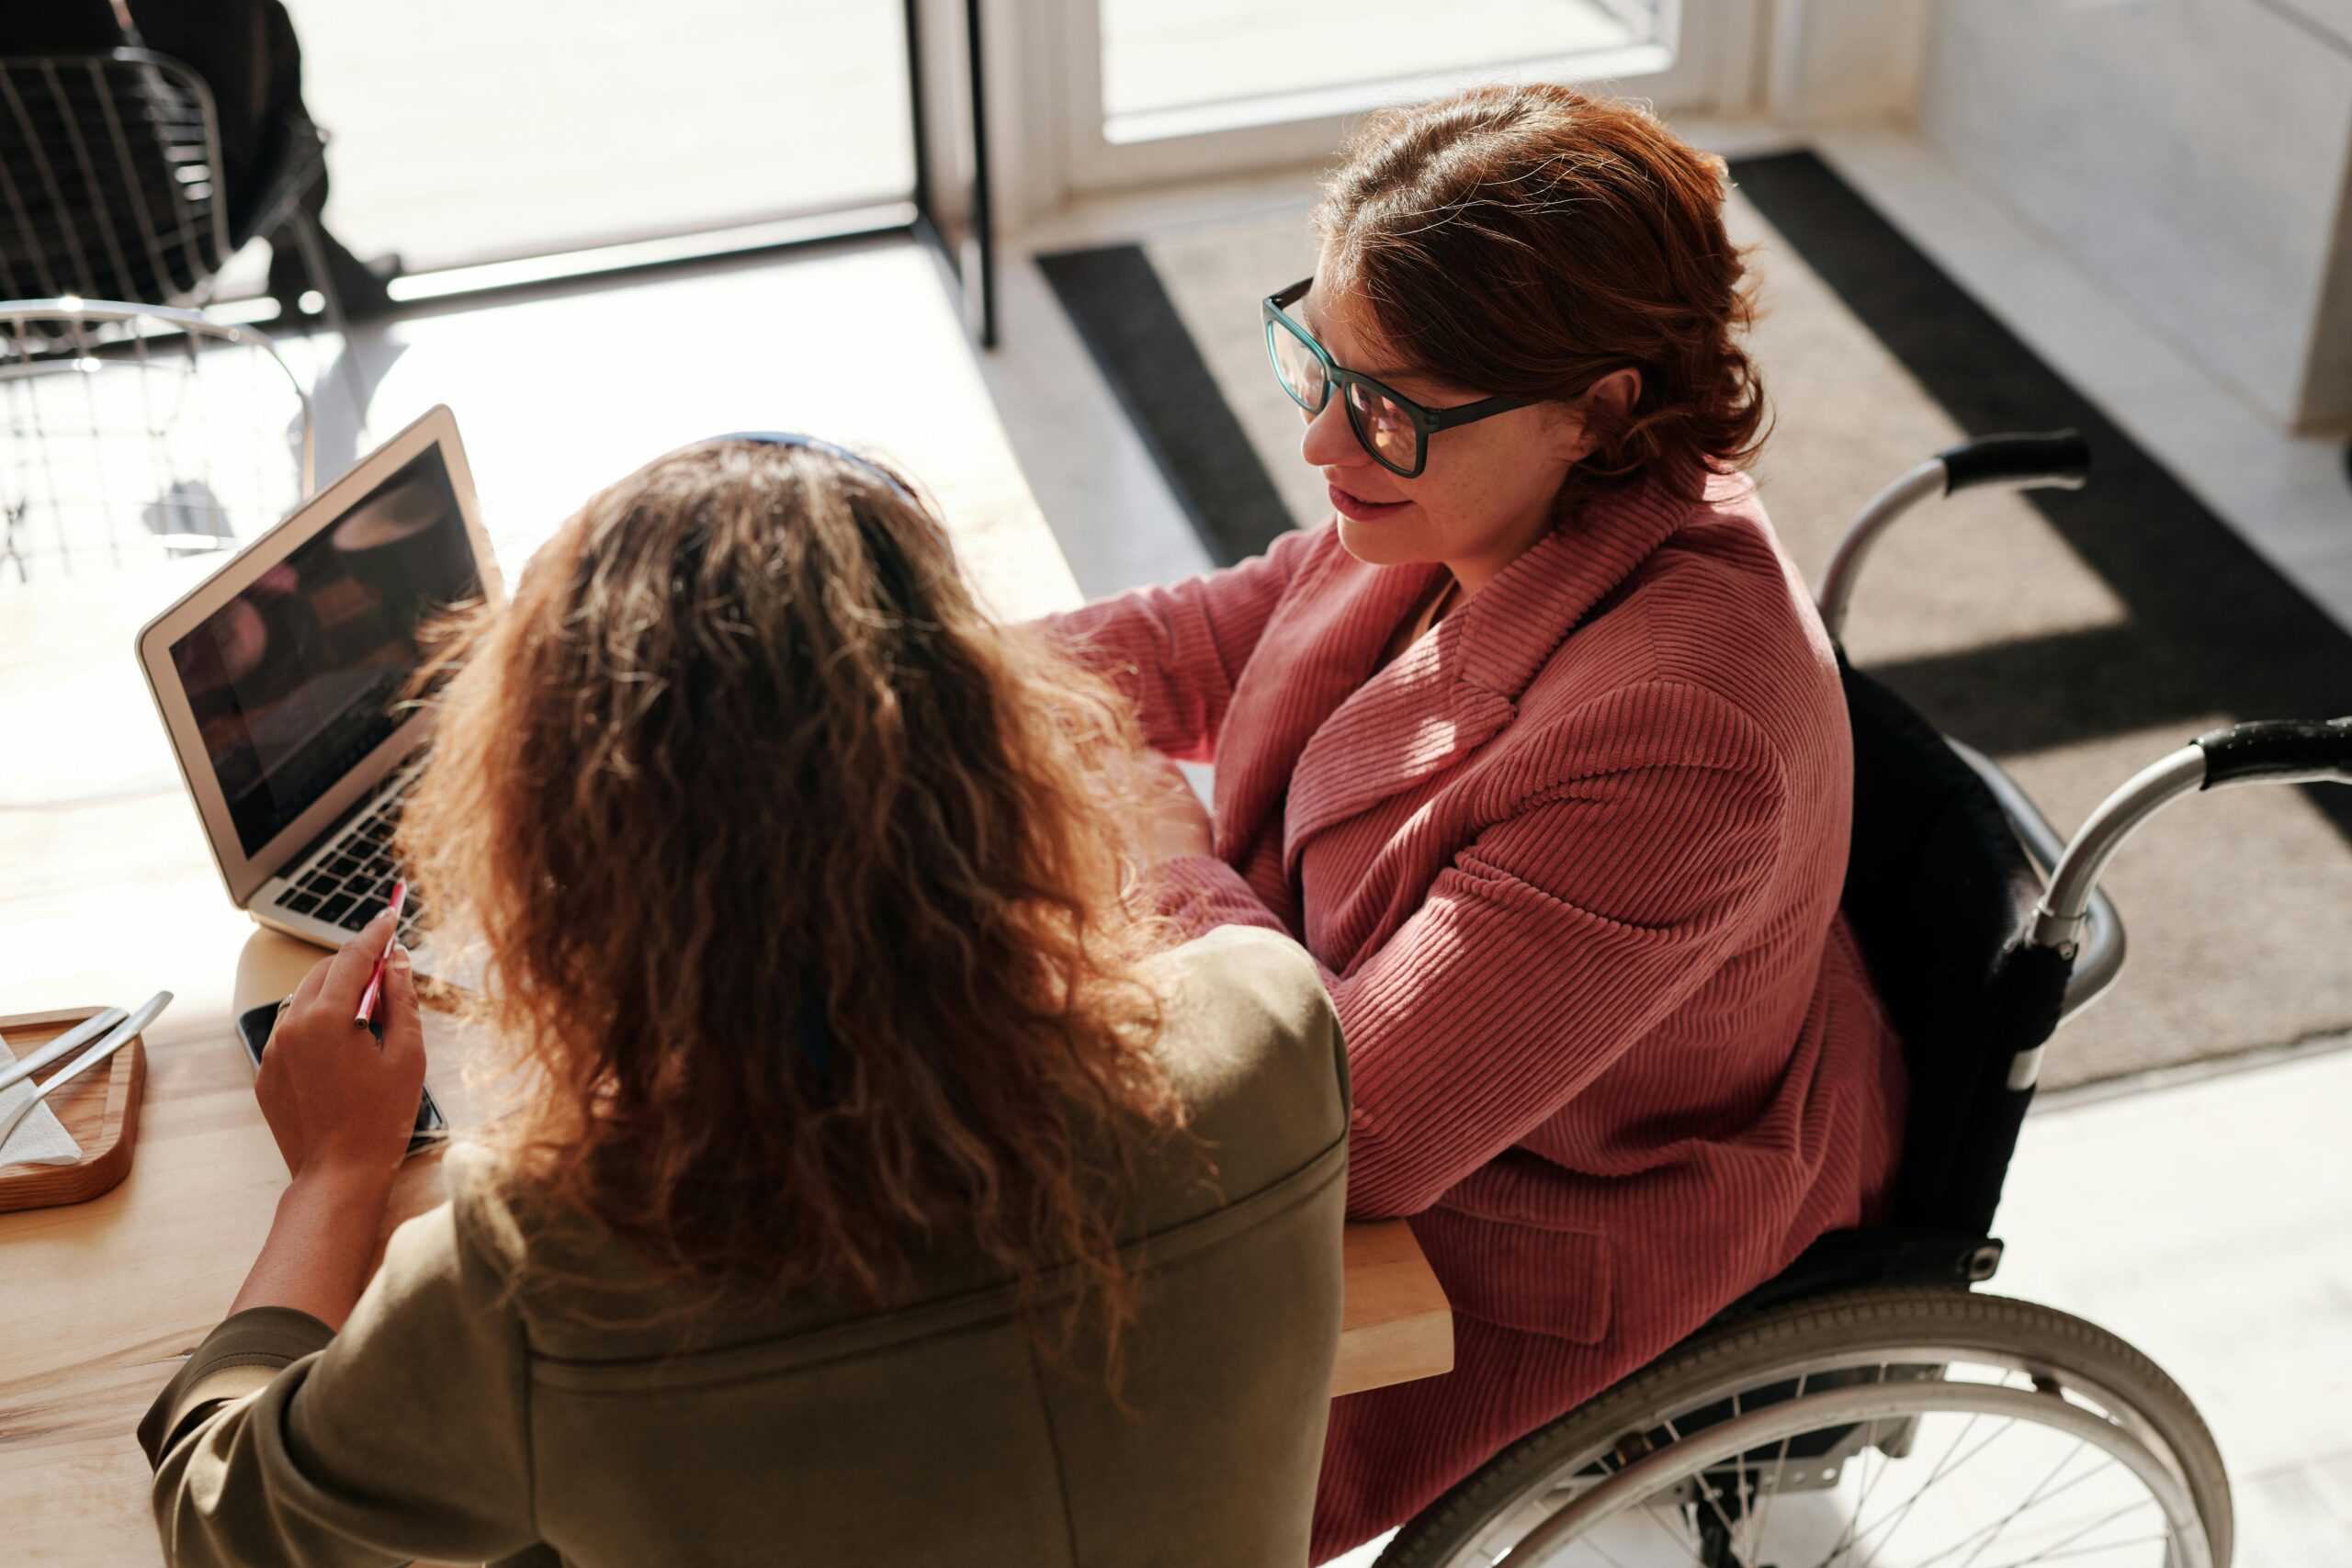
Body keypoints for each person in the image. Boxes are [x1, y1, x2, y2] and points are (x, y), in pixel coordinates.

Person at [137, 436, 1351, 1566]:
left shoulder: (543, 1273)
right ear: (1001, 755)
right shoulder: (1272, 1028)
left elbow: (223, 1520)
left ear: (563, 853)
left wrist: (336, 1175)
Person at [1048, 84, 1908, 1561]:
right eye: (1312, 360)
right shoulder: (1472, 486)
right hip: (1393, 1041)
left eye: (1380, 404)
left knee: (1035, 1409)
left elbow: (1355, 1136)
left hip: (1526, 1230)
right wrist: (900, 668)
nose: (1323, 444)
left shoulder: (1677, 736)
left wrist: (1157, 843)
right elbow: (1216, 632)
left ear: (1601, 406)